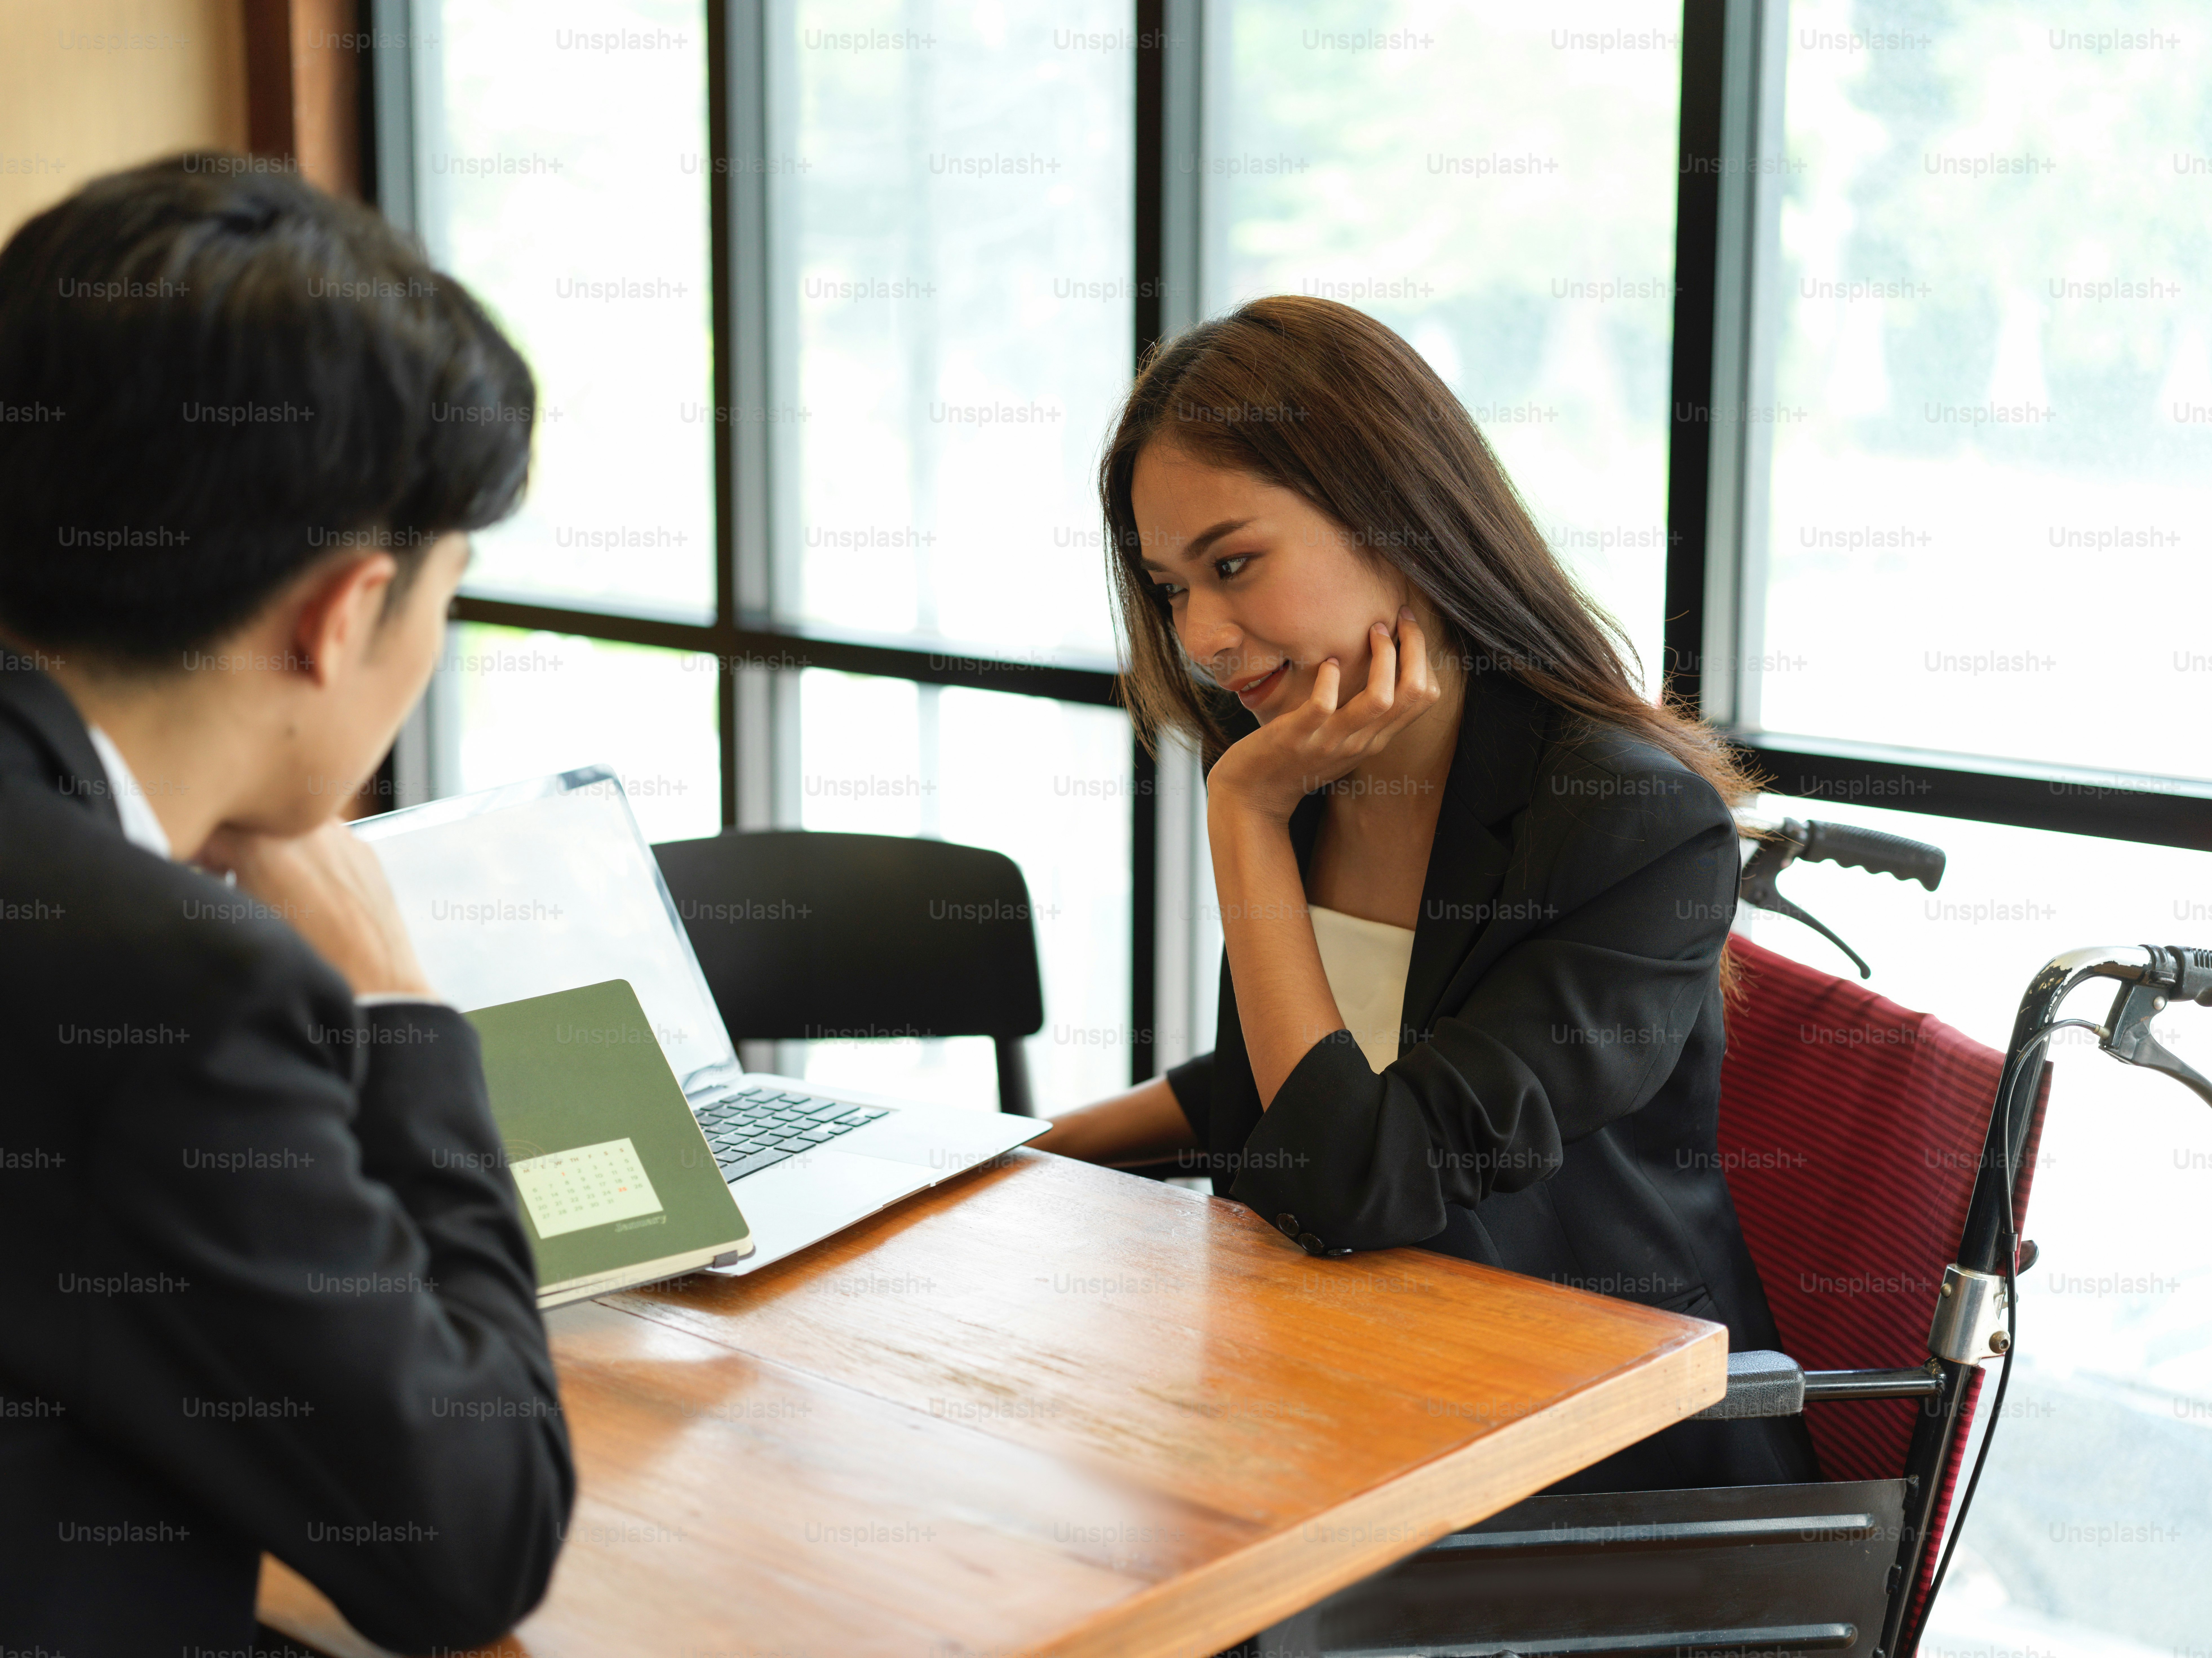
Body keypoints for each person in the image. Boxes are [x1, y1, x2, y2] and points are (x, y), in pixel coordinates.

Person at [1036, 296, 1818, 1491]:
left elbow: (1355, 1172)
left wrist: (1244, 822)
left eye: (1232, 565)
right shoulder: (1302, 764)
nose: (1201, 636)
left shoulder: (1629, 821)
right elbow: (1289, 1081)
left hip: (1585, 1455)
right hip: (1341, 1378)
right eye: (1170, 587)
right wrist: (992, 1157)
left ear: (1393, 517)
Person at [0, 158, 572, 1651]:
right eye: (446, 596)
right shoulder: (174, 991)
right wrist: (396, 1006)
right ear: (341, 615)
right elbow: (474, 1535)